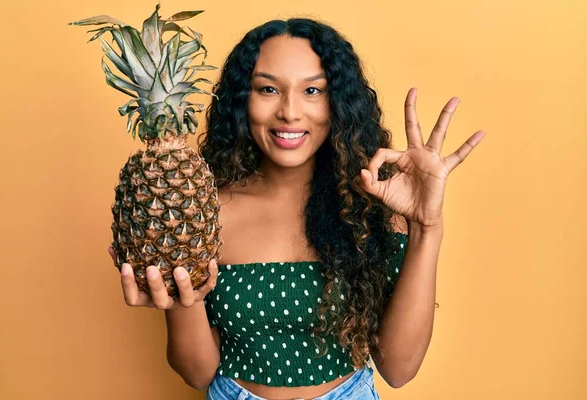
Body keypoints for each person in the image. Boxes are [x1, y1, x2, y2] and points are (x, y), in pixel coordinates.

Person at [108, 18, 485, 400]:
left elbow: (399, 369)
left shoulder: (373, 209)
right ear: (242, 99)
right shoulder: (204, 212)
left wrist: (426, 227)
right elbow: (198, 372)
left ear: (338, 102)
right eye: (268, 88)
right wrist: (178, 298)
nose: (290, 112)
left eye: (312, 91)